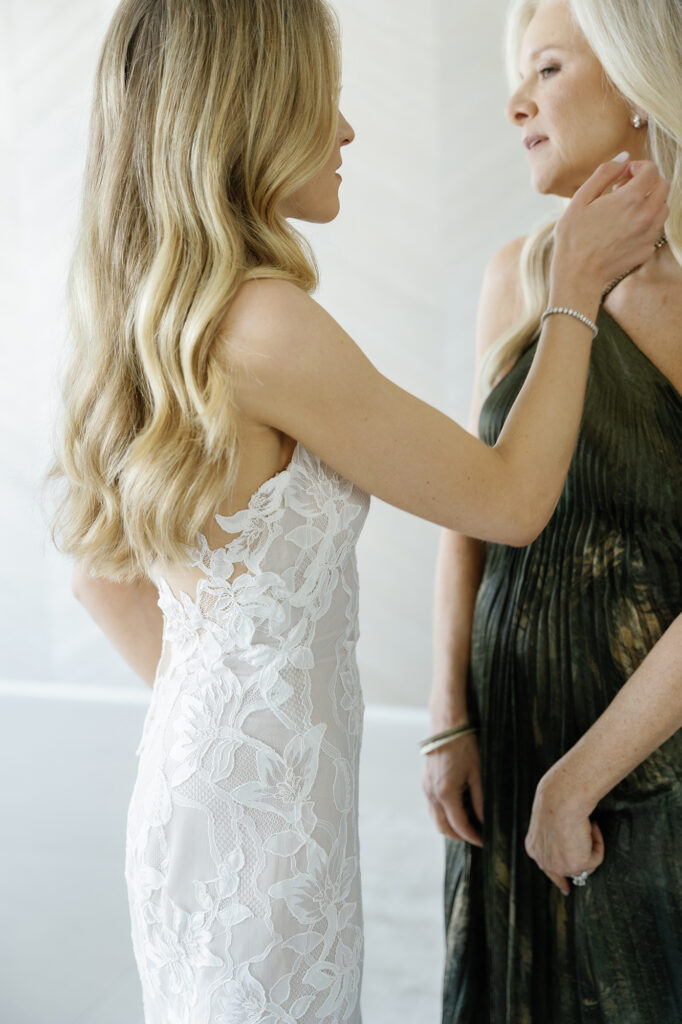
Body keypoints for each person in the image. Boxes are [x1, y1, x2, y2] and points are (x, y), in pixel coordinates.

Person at [48, 0, 668, 1021]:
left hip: (208, 790)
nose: (344, 128)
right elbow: (510, 499)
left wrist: (245, 726)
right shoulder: (266, 326)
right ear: (250, 111)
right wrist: (574, 285)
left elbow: (97, 576)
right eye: (318, 98)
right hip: (261, 834)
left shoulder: (168, 309)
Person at [424, 0, 682, 1021]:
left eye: (547, 69)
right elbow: (468, 507)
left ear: (637, 82)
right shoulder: (517, 277)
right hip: (507, 743)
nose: (515, 103)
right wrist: (448, 717)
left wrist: (575, 784)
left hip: (642, 774)